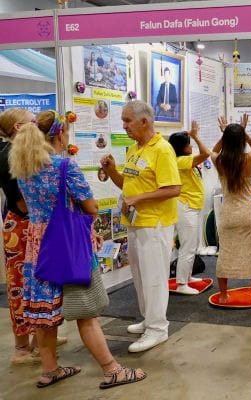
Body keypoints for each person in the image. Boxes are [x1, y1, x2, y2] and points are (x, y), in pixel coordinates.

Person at [10, 110, 145, 388]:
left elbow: (25, 205)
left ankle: (50, 370)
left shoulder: (24, 166)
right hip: (68, 245)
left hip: (37, 248)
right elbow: (91, 206)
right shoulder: (64, 166)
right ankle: (112, 370)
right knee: (86, 311)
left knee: (44, 315)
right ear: (60, 134)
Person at [100, 100, 181, 352]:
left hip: (155, 224)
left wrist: (139, 199)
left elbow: (173, 189)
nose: (124, 126)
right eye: (123, 121)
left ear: (144, 121)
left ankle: (158, 329)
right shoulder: (135, 149)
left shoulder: (163, 149)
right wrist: (112, 171)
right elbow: (127, 186)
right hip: (135, 222)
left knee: (154, 277)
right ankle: (149, 320)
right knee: (140, 275)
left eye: (127, 121)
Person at [0, 108, 48, 365]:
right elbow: (21, 201)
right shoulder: (8, 155)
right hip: (21, 226)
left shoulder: (21, 152)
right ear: (18, 127)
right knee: (20, 284)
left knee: (37, 282)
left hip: (29, 223)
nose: (37, 124)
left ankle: (41, 338)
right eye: (33, 121)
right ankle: (22, 347)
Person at [212, 114, 251, 305]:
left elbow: (213, 150)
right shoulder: (248, 159)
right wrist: (244, 132)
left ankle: (223, 295)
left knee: (225, 253)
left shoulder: (219, 161)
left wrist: (224, 134)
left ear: (227, 141)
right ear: (241, 141)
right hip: (247, 213)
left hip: (228, 214)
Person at [168, 120, 211, 295]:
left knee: (192, 245)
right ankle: (181, 284)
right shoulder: (181, 161)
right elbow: (206, 153)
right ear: (182, 148)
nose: (191, 146)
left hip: (192, 206)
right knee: (188, 246)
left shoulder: (184, 160)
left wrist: (192, 136)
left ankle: (187, 277)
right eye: (189, 144)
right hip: (185, 207)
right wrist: (195, 136)